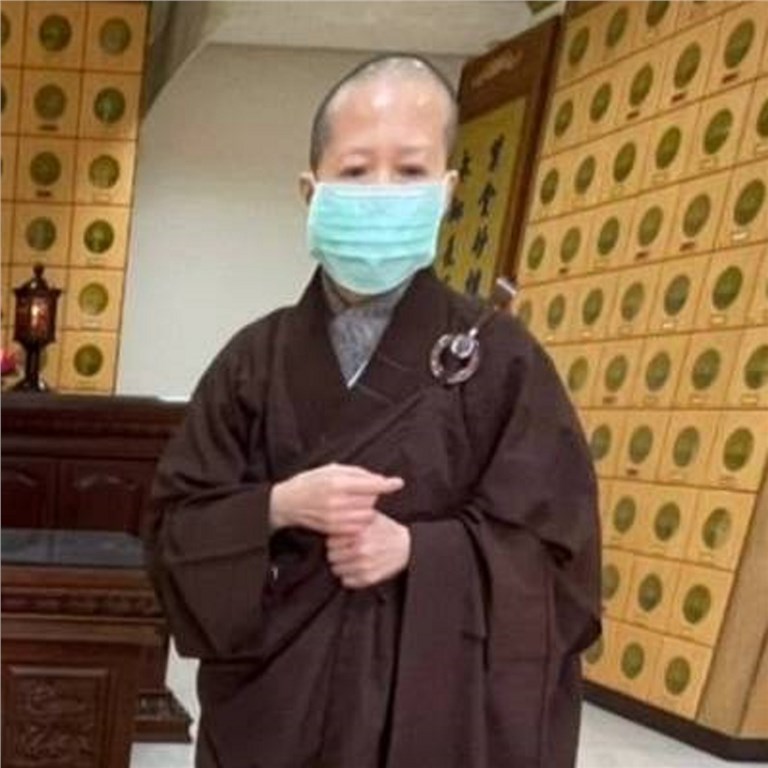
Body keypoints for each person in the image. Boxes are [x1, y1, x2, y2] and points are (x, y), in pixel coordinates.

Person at [146, 53, 601, 768]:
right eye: (356, 171)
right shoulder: (254, 360)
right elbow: (175, 528)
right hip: (277, 705)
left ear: (447, 190)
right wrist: (277, 506)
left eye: (411, 170)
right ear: (312, 190)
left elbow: (559, 561)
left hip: (432, 709)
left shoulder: (503, 360)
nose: (383, 191)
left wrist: (422, 552)